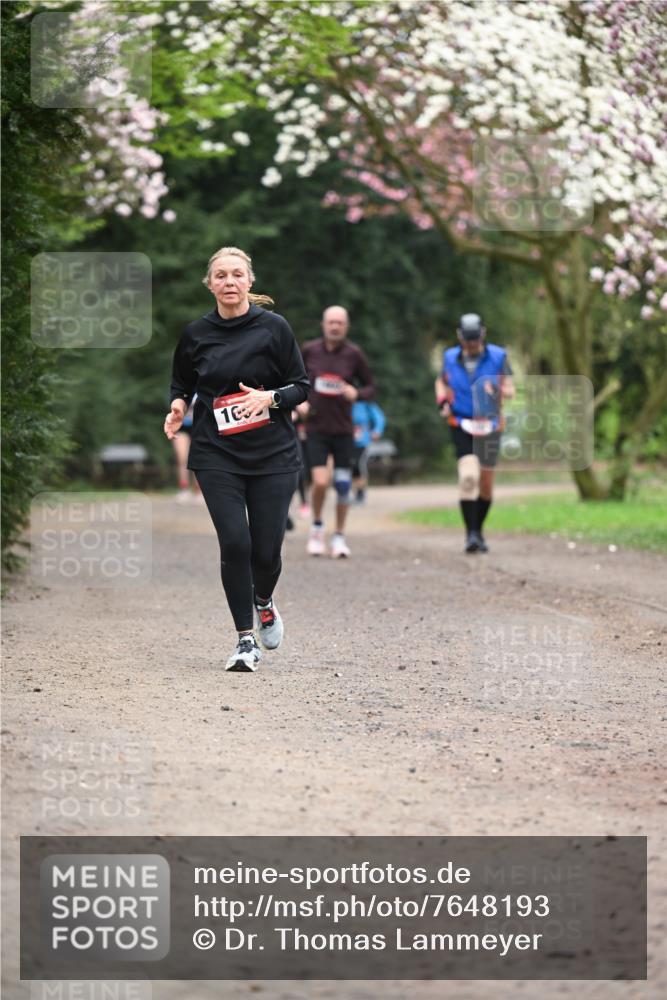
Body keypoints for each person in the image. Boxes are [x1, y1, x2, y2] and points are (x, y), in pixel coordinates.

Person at [164, 246, 309, 671]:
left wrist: (271, 397)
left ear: (250, 281)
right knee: (235, 542)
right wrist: (176, 406)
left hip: (273, 455)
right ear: (210, 284)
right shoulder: (195, 334)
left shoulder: (275, 329)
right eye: (221, 276)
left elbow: (301, 385)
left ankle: (264, 602)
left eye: (237, 275)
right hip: (215, 453)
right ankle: (245, 640)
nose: (229, 282)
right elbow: (181, 383)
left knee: (266, 552)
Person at [299, 306, 375, 558]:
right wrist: (299, 403)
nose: (335, 326)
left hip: (343, 430)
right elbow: (292, 379)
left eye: (340, 323)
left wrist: (358, 394)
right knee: (320, 481)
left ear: (346, 326)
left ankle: (339, 537)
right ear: (323, 324)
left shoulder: (354, 355)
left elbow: (371, 386)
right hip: (316, 428)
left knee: (343, 484)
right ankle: (317, 527)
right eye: (331, 322)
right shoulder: (310, 350)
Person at [434, 313, 514, 553]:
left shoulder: (499, 356)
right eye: (468, 341)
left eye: (475, 341)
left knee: (486, 484)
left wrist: (498, 390)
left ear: (483, 335)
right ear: (460, 337)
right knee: (469, 477)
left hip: (490, 425)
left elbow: (510, 388)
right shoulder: (449, 357)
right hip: (461, 422)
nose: (472, 346)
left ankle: (478, 531)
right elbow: (441, 382)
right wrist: (442, 401)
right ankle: (470, 534)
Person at [352, 399, 386, 504]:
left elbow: (379, 417)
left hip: (362, 441)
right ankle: (352, 493)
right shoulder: (341, 400)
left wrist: (377, 431)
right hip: (345, 441)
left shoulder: (365, 402)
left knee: (358, 465)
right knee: (350, 466)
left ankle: (360, 493)